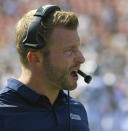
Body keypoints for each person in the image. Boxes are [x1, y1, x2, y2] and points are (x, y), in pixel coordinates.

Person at [0, 4, 90, 131]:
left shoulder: (77, 109)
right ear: (35, 58)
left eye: (78, 48)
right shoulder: (4, 112)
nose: (81, 59)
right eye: (69, 50)